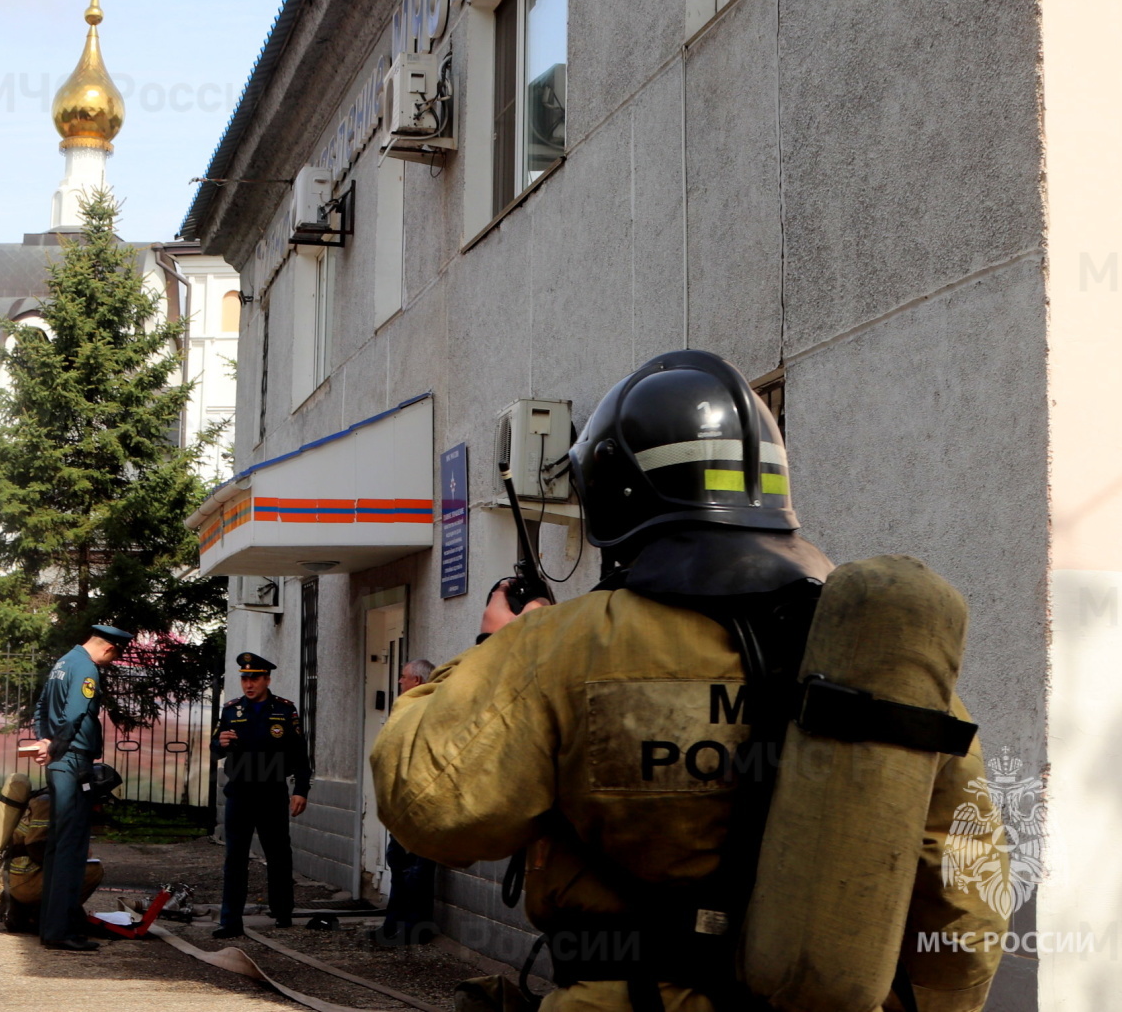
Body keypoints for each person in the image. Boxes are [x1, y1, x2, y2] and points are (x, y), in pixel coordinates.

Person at [371, 349, 1007, 1012]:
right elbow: (964, 898)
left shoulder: (564, 647)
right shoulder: (874, 664)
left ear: (617, 497)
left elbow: (425, 801)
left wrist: (491, 650)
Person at [27, 622, 131, 952]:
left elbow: (41, 706)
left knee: (59, 845)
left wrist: (44, 741)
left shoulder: (64, 662)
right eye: (113, 659)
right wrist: (56, 745)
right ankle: (62, 931)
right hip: (73, 760)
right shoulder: (86, 668)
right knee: (72, 848)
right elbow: (75, 713)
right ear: (109, 649)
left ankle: (51, 925)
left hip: (61, 760)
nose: (109, 664)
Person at [211, 651, 311, 939]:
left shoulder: (284, 710)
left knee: (278, 854)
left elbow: (299, 755)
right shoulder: (231, 710)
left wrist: (301, 790)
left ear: (267, 679)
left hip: (271, 792)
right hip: (240, 792)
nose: (248, 684)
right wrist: (220, 742)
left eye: (254, 679)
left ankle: (282, 911)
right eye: (244, 679)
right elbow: (216, 748)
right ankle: (230, 921)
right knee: (235, 857)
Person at [373, 658, 439, 949]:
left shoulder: (433, 711)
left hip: (424, 799)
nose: (400, 682)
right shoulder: (406, 709)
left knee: (418, 870)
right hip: (403, 800)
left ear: (418, 681)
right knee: (399, 864)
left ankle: (415, 929)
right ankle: (393, 927)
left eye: (404, 677)